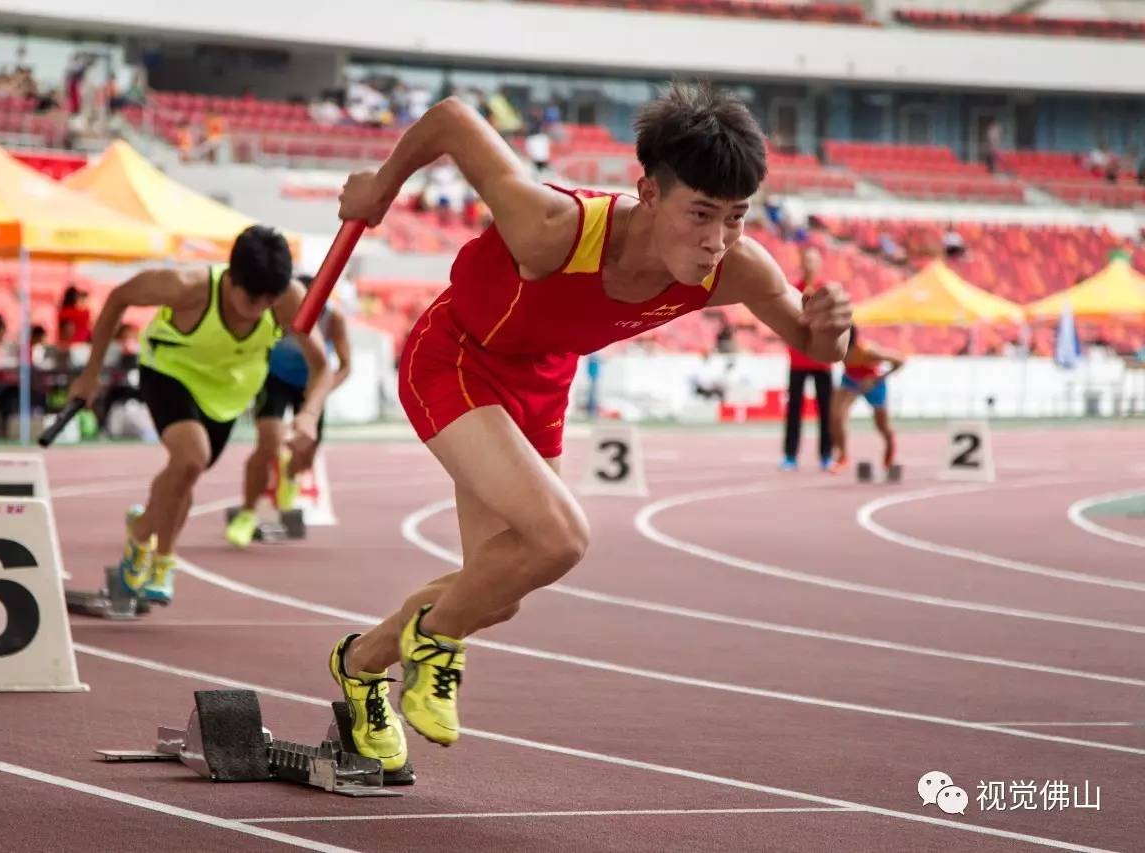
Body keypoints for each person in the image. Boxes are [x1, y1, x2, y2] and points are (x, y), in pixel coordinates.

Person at [321, 84, 852, 773]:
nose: (716, 240)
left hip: (540, 384)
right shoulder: (552, 228)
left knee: (497, 590)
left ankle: (361, 663)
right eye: (700, 213)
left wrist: (837, 330)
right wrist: (383, 189)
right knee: (560, 536)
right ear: (650, 193)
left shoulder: (733, 270)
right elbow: (453, 118)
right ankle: (435, 641)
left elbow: (816, 346)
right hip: (455, 357)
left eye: (735, 218)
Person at [66, 225, 329, 605]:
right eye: (250, 297)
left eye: (267, 300)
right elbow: (119, 298)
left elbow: (321, 367)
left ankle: (141, 531)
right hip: (169, 372)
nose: (258, 308)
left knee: (185, 474)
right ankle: (160, 559)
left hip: (227, 395)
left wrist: (308, 413)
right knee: (192, 456)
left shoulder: (287, 299)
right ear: (232, 278)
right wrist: (90, 375)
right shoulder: (186, 286)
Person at [226, 284, 352, 547]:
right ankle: (248, 513)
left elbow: (345, 365)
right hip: (275, 380)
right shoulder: (276, 311)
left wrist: (320, 395)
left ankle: (291, 473)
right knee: (268, 443)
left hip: (313, 382)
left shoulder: (334, 318)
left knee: (306, 453)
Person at [780, 244, 834, 471]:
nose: (810, 264)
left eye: (814, 260)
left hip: (822, 361)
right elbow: (786, 321)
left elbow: (834, 324)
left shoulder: (827, 291)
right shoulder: (792, 290)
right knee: (794, 410)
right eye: (807, 260)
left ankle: (826, 455)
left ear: (820, 265)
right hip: (798, 359)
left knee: (826, 411)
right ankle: (790, 456)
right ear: (801, 264)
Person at [828, 325, 903, 474]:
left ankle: (889, 450)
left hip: (872, 382)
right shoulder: (836, 348)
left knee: (882, 425)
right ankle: (842, 456)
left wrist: (877, 379)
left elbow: (899, 361)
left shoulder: (868, 351)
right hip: (850, 380)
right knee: (835, 417)